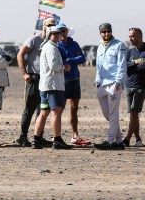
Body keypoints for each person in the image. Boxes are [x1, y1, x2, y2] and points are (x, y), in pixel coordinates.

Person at [16, 18, 56, 147]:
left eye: (53, 26)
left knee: (42, 109)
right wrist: (24, 73)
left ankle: (38, 136)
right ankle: (23, 136)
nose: (50, 28)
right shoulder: (34, 40)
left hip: (46, 79)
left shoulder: (51, 42)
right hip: (34, 78)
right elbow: (20, 54)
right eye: (49, 25)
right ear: (43, 27)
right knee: (30, 108)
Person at [33, 25, 71, 149]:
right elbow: (54, 66)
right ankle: (57, 139)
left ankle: (36, 139)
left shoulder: (48, 47)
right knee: (56, 112)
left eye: (58, 33)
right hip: (53, 86)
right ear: (49, 35)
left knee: (44, 113)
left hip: (46, 86)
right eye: (54, 33)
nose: (57, 35)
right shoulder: (51, 48)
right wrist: (64, 67)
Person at [94, 23, 127, 149]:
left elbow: (122, 65)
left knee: (113, 113)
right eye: (104, 32)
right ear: (100, 33)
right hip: (102, 83)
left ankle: (110, 141)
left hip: (114, 83)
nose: (106, 34)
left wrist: (118, 81)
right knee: (108, 114)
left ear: (111, 32)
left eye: (108, 31)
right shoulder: (99, 47)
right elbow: (98, 66)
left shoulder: (119, 45)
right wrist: (97, 81)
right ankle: (119, 141)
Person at [58, 24, 90, 146]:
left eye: (63, 31)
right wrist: (71, 59)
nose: (62, 33)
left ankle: (75, 135)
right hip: (62, 80)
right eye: (59, 31)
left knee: (74, 108)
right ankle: (57, 136)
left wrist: (70, 60)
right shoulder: (56, 46)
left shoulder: (74, 44)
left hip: (75, 79)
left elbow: (82, 58)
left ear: (67, 31)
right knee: (59, 109)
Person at [123, 27, 145, 147]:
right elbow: (124, 65)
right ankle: (138, 139)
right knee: (133, 114)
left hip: (141, 86)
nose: (130, 38)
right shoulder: (129, 51)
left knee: (134, 112)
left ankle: (127, 139)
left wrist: (133, 65)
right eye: (129, 36)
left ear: (140, 36)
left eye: (133, 36)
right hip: (129, 85)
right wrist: (135, 63)